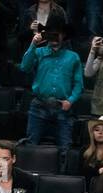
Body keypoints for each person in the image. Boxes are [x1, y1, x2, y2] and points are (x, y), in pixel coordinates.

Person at [21, 18, 83, 168]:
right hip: (39, 105)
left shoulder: (73, 57)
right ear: (46, 34)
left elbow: (79, 84)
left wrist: (71, 100)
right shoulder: (39, 52)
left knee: (65, 149)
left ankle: (63, 181)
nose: (55, 37)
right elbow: (24, 67)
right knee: (31, 144)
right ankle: (29, 176)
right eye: (51, 33)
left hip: (62, 107)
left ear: (64, 36)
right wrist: (33, 44)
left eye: (58, 34)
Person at [72, 116, 103, 188]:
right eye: (97, 130)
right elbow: (79, 174)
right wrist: (97, 172)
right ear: (92, 133)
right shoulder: (84, 150)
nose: (100, 132)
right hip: (86, 188)